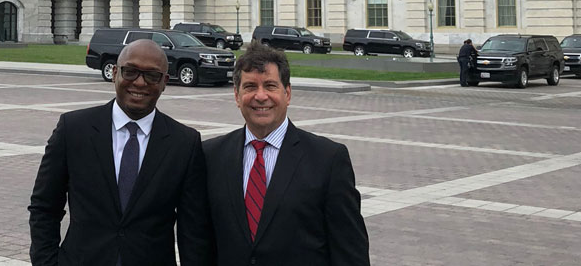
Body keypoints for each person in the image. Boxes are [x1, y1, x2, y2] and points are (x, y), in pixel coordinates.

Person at [28, 39, 213, 266]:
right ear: (115, 72)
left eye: (152, 75)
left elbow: (192, 229)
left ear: (165, 81)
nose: (140, 82)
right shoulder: (73, 129)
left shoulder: (184, 142)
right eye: (130, 72)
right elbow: (44, 207)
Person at [204, 42, 370, 266]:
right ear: (236, 95)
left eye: (270, 86)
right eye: (250, 86)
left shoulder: (328, 159)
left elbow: (350, 252)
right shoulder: (210, 156)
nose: (260, 96)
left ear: (287, 93)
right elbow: (201, 242)